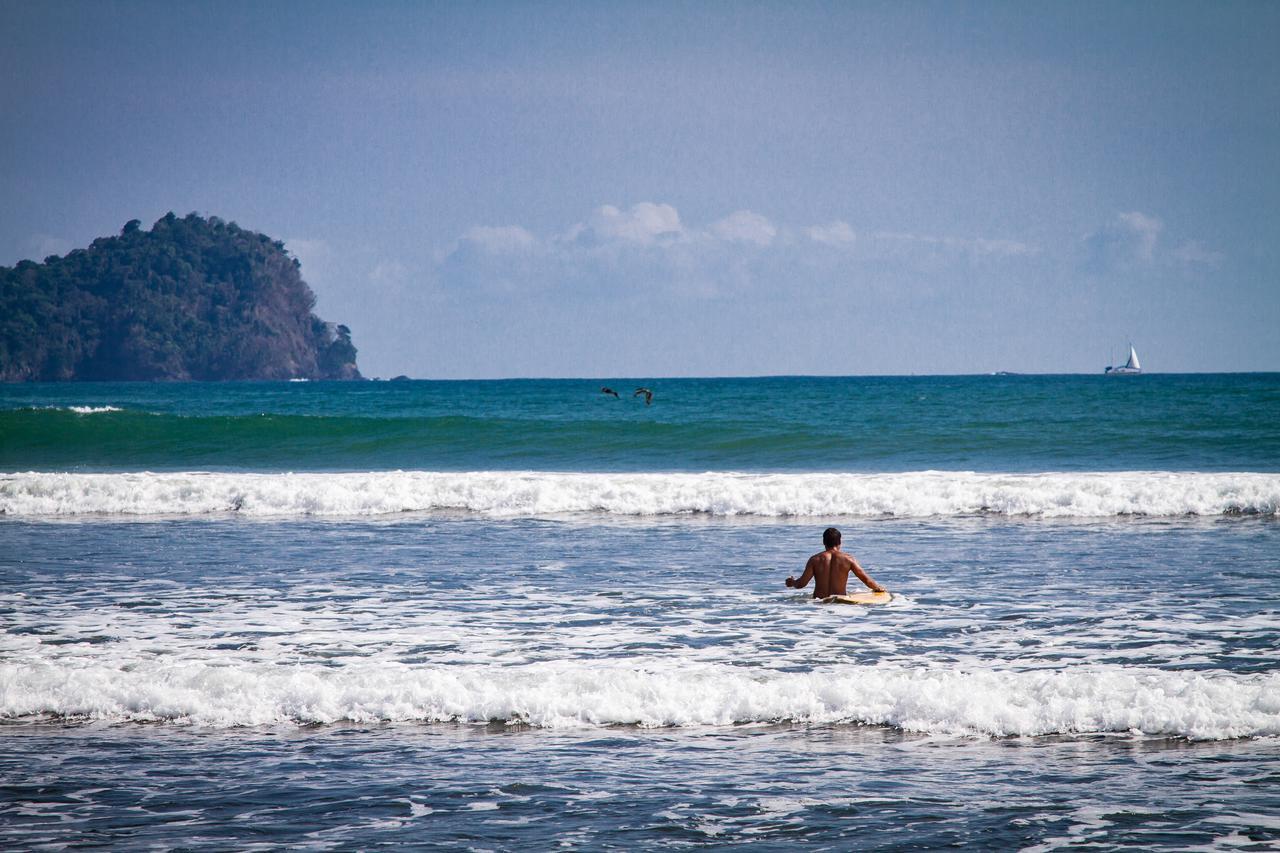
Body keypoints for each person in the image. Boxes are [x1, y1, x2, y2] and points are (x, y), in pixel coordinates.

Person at [785, 527, 886, 598]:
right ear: (840, 542)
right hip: (839, 603)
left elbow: (801, 584)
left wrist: (792, 582)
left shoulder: (815, 560)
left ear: (823, 542)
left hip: (818, 605)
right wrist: (878, 587)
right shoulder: (848, 559)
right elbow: (866, 580)